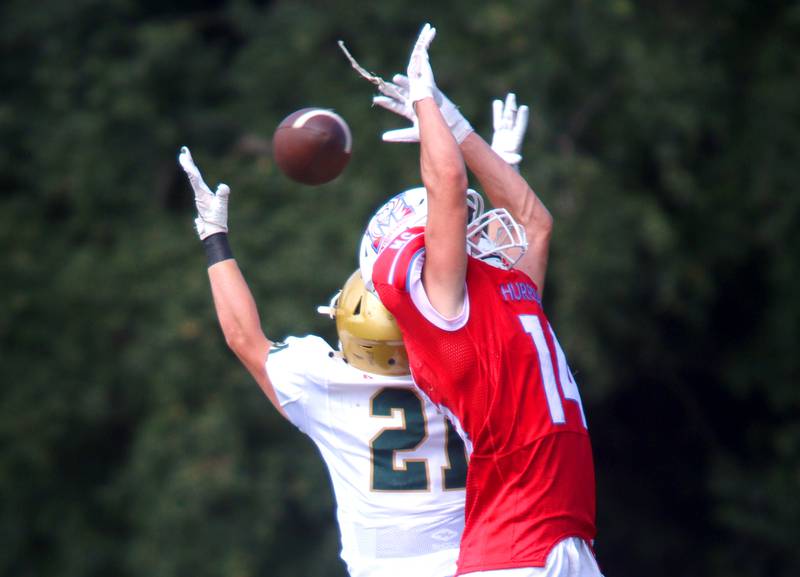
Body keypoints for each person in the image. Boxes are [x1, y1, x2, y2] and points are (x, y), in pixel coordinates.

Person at [358, 24, 603, 577]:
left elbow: (534, 223)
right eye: (456, 225)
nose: (472, 228)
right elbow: (447, 179)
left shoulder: (499, 297)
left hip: (560, 540)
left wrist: (459, 124)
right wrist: (425, 103)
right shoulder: (442, 308)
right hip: (514, 553)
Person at [177, 146, 468, 577]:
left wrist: (214, 236)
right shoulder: (470, 368)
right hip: (481, 561)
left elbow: (243, 337)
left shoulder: (321, 382)